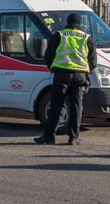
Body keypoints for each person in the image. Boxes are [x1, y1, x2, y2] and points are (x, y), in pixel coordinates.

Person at [35, 12, 97, 146]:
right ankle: (73, 137)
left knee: (56, 105)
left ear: (67, 23)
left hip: (61, 74)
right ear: (80, 24)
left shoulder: (59, 35)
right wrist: (86, 70)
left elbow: (48, 56)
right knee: (76, 106)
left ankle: (49, 136)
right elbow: (93, 62)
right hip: (80, 76)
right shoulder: (87, 38)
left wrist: (53, 67)